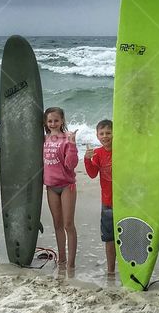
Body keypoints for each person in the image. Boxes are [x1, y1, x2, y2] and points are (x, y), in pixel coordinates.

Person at [43, 106, 78, 268]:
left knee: (68, 224)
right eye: (50, 121)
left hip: (66, 186)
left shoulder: (66, 139)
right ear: (46, 122)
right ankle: (62, 259)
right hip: (51, 187)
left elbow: (71, 165)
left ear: (62, 121)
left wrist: (71, 144)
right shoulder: (43, 139)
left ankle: (71, 262)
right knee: (57, 224)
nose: (53, 123)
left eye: (56, 120)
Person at [84, 119, 114, 275]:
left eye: (108, 133)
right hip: (107, 202)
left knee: (126, 236)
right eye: (101, 133)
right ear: (97, 135)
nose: (105, 136)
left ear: (115, 133)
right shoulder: (97, 153)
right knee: (109, 239)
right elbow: (92, 174)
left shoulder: (123, 150)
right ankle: (110, 271)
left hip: (125, 202)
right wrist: (87, 159)